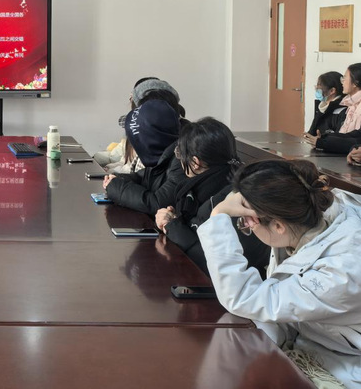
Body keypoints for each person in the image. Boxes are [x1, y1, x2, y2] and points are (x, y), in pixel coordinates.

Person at [198, 159, 361, 387]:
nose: (247, 226)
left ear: (277, 226)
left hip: (343, 364)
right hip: (315, 342)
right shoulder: (306, 220)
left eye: (248, 222)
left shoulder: (342, 271)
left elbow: (244, 297)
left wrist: (218, 215)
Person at [154, 117, 269, 275]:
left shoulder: (231, 201)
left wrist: (173, 227)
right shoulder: (222, 180)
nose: (180, 160)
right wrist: (173, 221)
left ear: (195, 163)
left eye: (180, 154)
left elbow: (218, 266)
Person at [104, 99, 186, 215]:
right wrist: (116, 179)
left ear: (151, 140)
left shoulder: (182, 158)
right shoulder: (164, 154)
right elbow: (142, 177)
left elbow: (158, 203)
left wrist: (116, 187)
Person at [308, 67, 361, 155]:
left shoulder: (344, 108)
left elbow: (357, 139)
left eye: (344, 78)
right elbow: (353, 134)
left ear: (355, 83)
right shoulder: (351, 105)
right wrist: (323, 139)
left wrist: (324, 142)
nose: (342, 82)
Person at [303, 71, 346, 140]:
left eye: (319, 89)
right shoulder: (322, 106)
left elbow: (338, 138)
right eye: (316, 88)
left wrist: (321, 141)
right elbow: (312, 132)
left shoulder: (342, 110)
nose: (317, 91)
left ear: (332, 91)